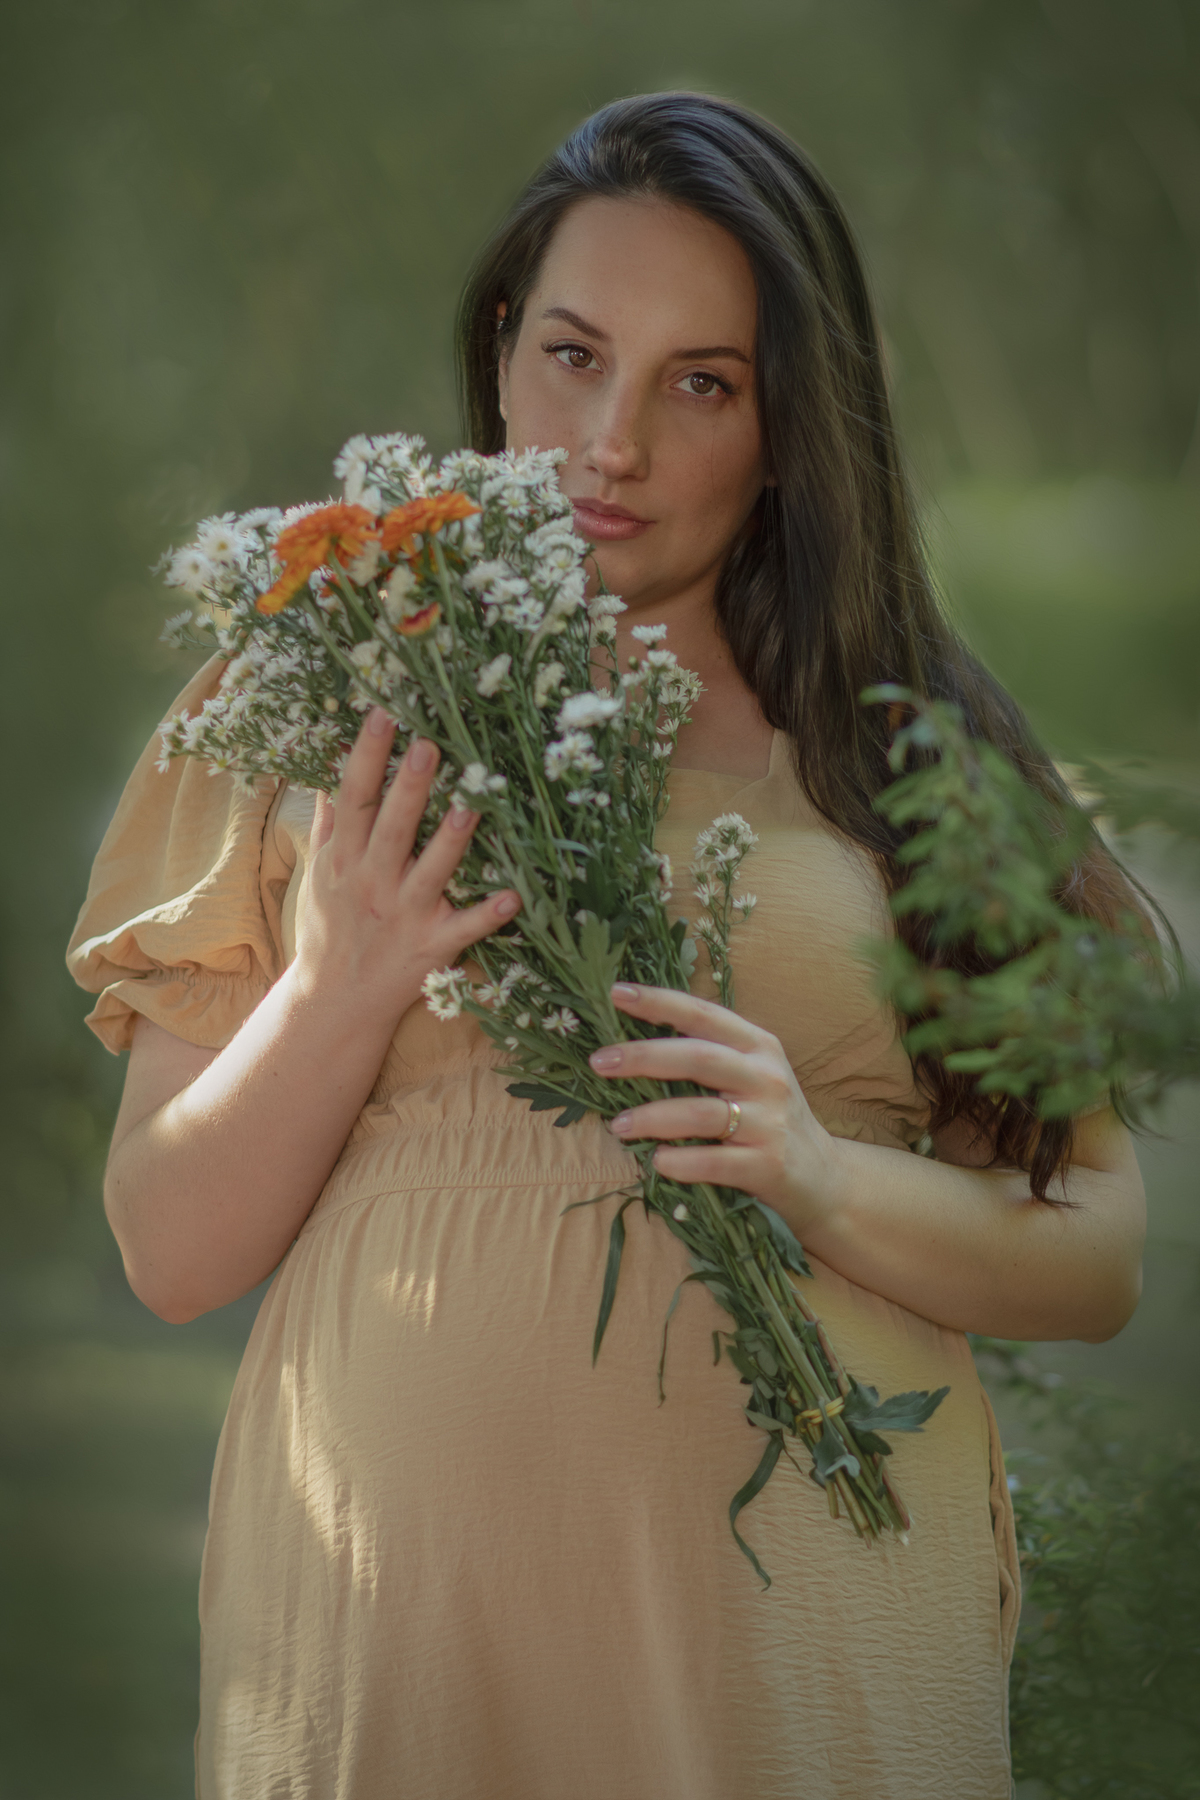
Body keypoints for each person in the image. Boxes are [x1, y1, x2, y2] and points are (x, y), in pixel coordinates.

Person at [67, 93, 1145, 1799]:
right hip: (393, 1623)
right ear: (503, 350)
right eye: (574, 356)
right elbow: (170, 1249)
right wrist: (342, 980)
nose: (611, 442)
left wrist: (818, 1174)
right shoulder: (302, 701)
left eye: (701, 384)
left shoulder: (906, 755)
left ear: (787, 428)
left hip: (806, 1649)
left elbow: (1095, 1256)